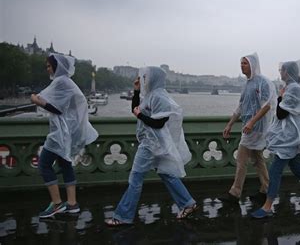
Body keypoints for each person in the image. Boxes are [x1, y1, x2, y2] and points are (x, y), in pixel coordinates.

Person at [106, 66, 197, 226]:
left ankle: (122, 216)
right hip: (155, 143)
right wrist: (135, 91)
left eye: (146, 77)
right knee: (166, 174)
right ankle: (187, 203)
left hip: (151, 144)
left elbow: (158, 122)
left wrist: (140, 115)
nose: (143, 79)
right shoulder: (150, 95)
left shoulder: (159, 98)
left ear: (154, 79)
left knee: (135, 179)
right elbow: (135, 109)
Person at [250, 60, 300, 219]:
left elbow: (281, 114)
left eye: (281, 70)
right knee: (298, 169)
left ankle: (267, 207)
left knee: (274, 172)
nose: (280, 72)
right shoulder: (295, 88)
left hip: (288, 139)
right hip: (291, 137)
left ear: (286, 72)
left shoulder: (292, 89)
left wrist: (280, 98)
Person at [31, 53, 98, 218]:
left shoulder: (60, 81)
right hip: (68, 132)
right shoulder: (68, 82)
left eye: (48, 66)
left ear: (57, 66)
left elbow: (57, 108)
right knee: (65, 164)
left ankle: (57, 204)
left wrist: (36, 100)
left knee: (44, 165)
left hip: (60, 133)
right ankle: (72, 204)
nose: (47, 69)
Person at [218, 53, 276, 204]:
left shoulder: (263, 82)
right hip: (250, 127)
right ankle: (266, 189)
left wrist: (251, 122)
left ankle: (235, 193)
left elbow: (267, 106)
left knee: (241, 158)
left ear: (253, 65)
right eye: (241, 63)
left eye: (244, 63)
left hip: (257, 128)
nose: (241, 66)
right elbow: (240, 106)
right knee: (257, 159)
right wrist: (230, 124)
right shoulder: (248, 84)